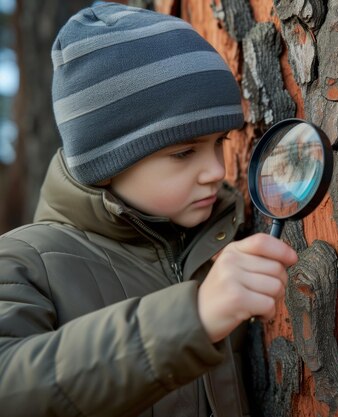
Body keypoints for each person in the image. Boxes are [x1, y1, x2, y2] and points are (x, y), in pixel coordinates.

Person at [0, 3, 297, 417]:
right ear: (107, 163)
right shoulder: (23, 261)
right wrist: (190, 318)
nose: (215, 170)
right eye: (183, 153)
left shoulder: (220, 240)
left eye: (219, 143)